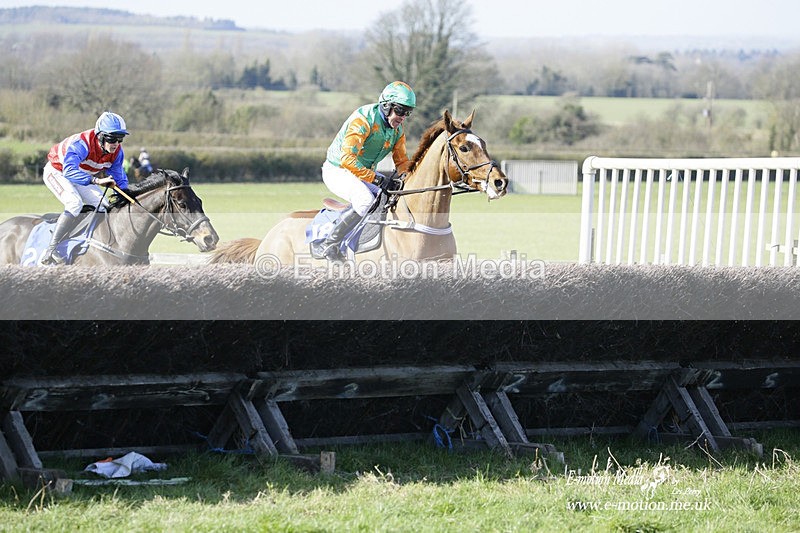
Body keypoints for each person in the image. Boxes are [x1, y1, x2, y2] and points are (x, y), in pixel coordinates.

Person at [319, 80, 416, 260]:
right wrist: (377, 179)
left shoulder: (397, 130)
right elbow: (347, 159)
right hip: (338, 170)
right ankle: (329, 245)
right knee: (365, 201)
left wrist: (411, 177)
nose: (403, 117)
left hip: (361, 172)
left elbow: (402, 161)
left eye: (407, 113)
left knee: (394, 193)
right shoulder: (363, 119)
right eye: (400, 111)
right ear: (386, 106)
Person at [40, 111, 130, 265]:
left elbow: (119, 179)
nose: (116, 143)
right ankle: (51, 249)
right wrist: (96, 180)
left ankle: (86, 241)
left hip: (83, 174)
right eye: (112, 138)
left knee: (104, 207)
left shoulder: (116, 153)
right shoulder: (82, 143)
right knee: (74, 203)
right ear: (100, 136)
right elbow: (69, 171)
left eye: (120, 139)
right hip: (58, 171)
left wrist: (129, 196)